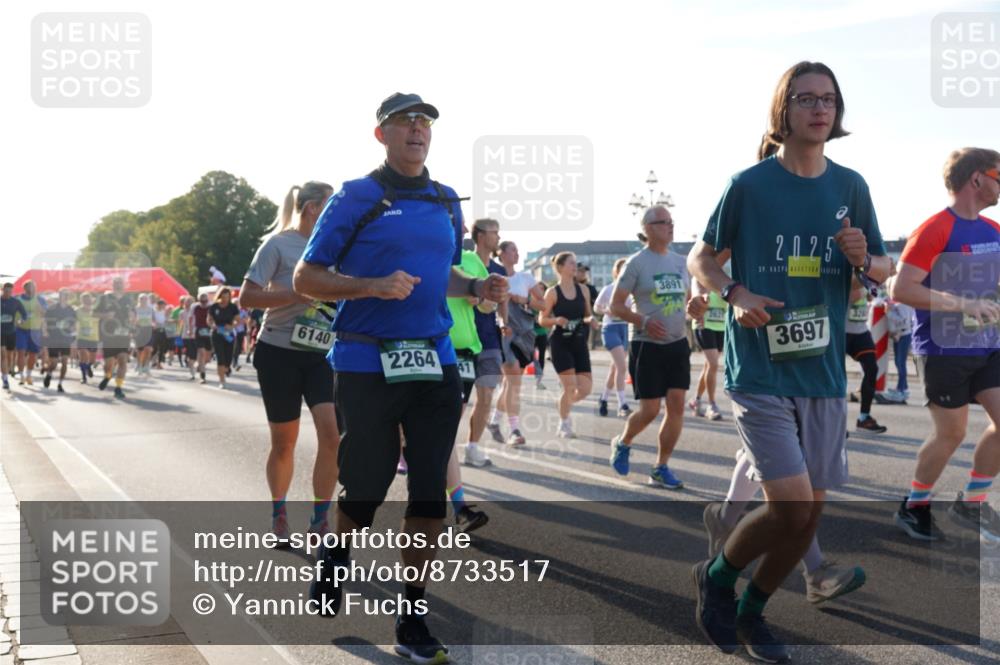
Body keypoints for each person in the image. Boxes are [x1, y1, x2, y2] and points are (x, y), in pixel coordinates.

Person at [292, 92, 507, 662]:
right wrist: (370, 285)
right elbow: (306, 278)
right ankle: (335, 554)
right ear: (380, 134)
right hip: (366, 362)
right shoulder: (356, 196)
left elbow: (445, 276)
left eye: (425, 122)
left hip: (434, 361)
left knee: (429, 486)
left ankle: (412, 615)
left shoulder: (443, 200)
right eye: (404, 121)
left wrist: (477, 288)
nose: (417, 129)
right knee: (365, 486)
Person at [687, 61, 890, 662]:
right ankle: (718, 579)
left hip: (822, 371)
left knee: (807, 517)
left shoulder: (850, 185)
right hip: (760, 367)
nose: (820, 109)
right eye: (806, 99)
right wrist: (735, 292)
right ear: (785, 110)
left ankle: (753, 612)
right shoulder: (749, 184)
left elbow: (882, 267)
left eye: (829, 99)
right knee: (791, 506)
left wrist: (866, 258)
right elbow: (701, 258)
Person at [891, 147, 1000, 543]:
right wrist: (963, 304)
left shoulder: (993, 231)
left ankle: (972, 504)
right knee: (951, 434)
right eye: (998, 175)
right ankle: (914, 505)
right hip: (943, 349)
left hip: (989, 346)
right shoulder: (935, 228)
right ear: (977, 178)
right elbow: (902, 289)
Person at [241, 181, 341, 542]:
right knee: (285, 443)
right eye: (330, 205)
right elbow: (247, 297)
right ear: (313, 208)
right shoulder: (279, 245)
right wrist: (297, 292)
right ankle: (279, 513)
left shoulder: (335, 248)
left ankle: (319, 519)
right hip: (278, 353)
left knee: (332, 437)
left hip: (322, 355)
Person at [607, 206, 692, 489]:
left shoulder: (681, 262)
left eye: (671, 221)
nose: (670, 226)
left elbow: (688, 302)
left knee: (677, 404)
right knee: (651, 409)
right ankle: (624, 441)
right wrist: (643, 320)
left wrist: (697, 307)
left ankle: (661, 466)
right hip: (647, 345)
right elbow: (615, 306)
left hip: (678, 343)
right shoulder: (636, 263)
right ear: (647, 228)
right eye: (663, 222)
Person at [445, 224, 491, 531]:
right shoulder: (418, 249)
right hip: (428, 345)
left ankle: (459, 506)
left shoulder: (472, 262)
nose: (459, 226)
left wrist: (481, 298)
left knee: (445, 427)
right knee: (438, 427)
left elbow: (488, 305)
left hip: (464, 350)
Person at [539, 251, 598, 439]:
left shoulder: (584, 290)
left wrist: (592, 320)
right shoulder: (552, 292)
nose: (575, 266)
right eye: (571, 263)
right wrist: (556, 320)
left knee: (586, 388)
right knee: (570, 387)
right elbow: (542, 319)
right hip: (560, 343)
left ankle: (563, 404)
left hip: (579, 342)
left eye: (576, 263)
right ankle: (564, 423)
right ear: (561, 267)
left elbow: (588, 314)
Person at [494, 240, 546, 446]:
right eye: (513, 250)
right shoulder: (494, 278)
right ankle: (514, 430)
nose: (517, 253)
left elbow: (543, 304)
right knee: (514, 380)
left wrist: (523, 300)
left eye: (517, 250)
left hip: (525, 334)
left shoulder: (525, 277)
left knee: (510, 382)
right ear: (502, 254)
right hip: (504, 333)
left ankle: (493, 421)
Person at [467, 218, 506, 458]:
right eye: (495, 233)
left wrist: (506, 321)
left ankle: (473, 447)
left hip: (490, 340)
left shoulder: (499, 270)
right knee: (456, 403)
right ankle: (444, 450)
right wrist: (483, 301)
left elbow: (501, 302)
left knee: (486, 396)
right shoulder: (462, 263)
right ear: (481, 236)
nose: (499, 238)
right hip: (462, 340)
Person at [594, 258, 633, 418]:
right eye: (621, 268)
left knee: (615, 368)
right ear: (616, 272)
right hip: (610, 329)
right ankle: (622, 404)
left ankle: (603, 398)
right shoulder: (608, 289)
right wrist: (607, 310)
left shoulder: (631, 290)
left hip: (625, 328)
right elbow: (596, 307)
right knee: (622, 366)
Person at [844, 290, 888, 432]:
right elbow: (854, 293)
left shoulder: (866, 271)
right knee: (836, 373)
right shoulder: (853, 270)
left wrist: (871, 288)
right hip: (840, 330)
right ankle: (835, 421)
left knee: (872, 369)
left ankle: (864, 418)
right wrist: (867, 285)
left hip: (860, 330)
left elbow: (870, 296)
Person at [689, 274, 727, 421]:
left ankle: (696, 400)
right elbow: (696, 294)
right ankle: (712, 404)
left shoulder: (723, 278)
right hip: (704, 325)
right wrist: (702, 297)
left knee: (708, 366)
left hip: (721, 326)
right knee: (713, 364)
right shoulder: (700, 277)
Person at [96, 278, 134, 400]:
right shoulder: (104, 298)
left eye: (120, 283)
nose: (118, 285)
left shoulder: (128, 299)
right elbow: (94, 313)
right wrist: (106, 315)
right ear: (112, 285)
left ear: (124, 285)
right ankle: (107, 376)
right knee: (109, 363)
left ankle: (118, 388)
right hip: (108, 335)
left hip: (123, 334)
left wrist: (133, 318)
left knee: (123, 360)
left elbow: (134, 316)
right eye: (116, 283)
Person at [42, 289, 76, 393]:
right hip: (54, 338)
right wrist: (45, 332)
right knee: (54, 363)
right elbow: (45, 321)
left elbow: (74, 324)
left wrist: (74, 336)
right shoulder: (52, 309)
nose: (64, 297)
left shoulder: (71, 310)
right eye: (62, 295)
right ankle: (49, 374)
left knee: (65, 362)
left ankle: (60, 384)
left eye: (66, 295)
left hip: (66, 339)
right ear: (59, 296)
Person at [15, 280, 45, 386]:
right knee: (21, 353)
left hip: (35, 331)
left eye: (34, 287)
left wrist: (40, 308)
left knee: (33, 354)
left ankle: (29, 375)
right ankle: (21, 376)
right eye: (31, 287)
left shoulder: (40, 299)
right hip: (21, 330)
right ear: (25, 288)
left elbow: (45, 314)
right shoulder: (18, 300)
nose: (33, 289)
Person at [208, 288, 240, 389]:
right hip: (217, 334)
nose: (225, 299)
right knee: (220, 357)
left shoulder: (233, 307)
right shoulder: (214, 307)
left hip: (229, 334)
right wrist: (212, 325)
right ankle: (222, 380)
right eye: (223, 296)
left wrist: (232, 326)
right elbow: (209, 319)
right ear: (219, 296)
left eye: (227, 297)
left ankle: (226, 368)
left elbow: (237, 320)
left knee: (228, 358)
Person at [886, 293, 915, 402]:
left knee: (900, 362)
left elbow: (903, 320)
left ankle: (901, 389)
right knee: (898, 363)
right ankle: (903, 387)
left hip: (903, 335)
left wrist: (889, 312)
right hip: (899, 334)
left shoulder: (903, 304)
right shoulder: (901, 302)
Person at [1, 283, 27, 391]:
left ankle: (9, 370)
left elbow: (24, 315)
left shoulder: (15, 302)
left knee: (10, 356)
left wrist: (20, 320)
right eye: (6, 291)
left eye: (10, 291)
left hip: (11, 332)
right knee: (3, 355)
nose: (8, 293)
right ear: (2, 290)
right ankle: (5, 379)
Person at [75, 292, 100, 384]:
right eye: (84, 299)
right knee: (83, 356)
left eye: (88, 299)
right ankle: (83, 377)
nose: (87, 301)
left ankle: (89, 366)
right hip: (81, 337)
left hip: (94, 338)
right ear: (81, 301)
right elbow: (72, 321)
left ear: (91, 300)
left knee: (92, 360)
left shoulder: (96, 311)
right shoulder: (77, 311)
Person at [189, 293, 213, 383]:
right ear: (199, 301)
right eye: (202, 301)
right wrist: (190, 330)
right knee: (201, 352)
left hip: (209, 331)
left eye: (205, 301)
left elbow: (214, 318)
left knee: (208, 357)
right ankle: (203, 375)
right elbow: (191, 318)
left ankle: (200, 365)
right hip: (198, 330)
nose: (204, 303)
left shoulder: (211, 307)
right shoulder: (195, 307)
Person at [576, 263, 600, 350]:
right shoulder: (567, 287)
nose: (583, 273)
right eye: (580, 271)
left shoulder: (590, 288)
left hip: (585, 320)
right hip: (570, 320)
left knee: (582, 346)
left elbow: (596, 304)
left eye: (584, 271)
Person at [134, 294, 155, 376]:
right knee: (140, 350)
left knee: (149, 349)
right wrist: (135, 322)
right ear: (139, 300)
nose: (144, 301)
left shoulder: (150, 309)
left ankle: (146, 366)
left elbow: (154, 319)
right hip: (139, 330)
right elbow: (132, 319)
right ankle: (139, 365)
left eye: (145, 299)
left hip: (148, 329)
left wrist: (154, 324)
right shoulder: (136, 309)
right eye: (142, 299)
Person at [151, 299, 169, 370]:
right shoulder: (154, 312)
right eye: (162, 305)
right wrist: (155, 324)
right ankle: (152, 360)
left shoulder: (164, 312)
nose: (164, 306)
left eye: (164, 305)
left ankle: (159, 363)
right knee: (154, 347)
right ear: (159, 305)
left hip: (163, 330)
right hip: (155, 331)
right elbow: (152, 320)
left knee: (162, 347)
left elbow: (165, 320)